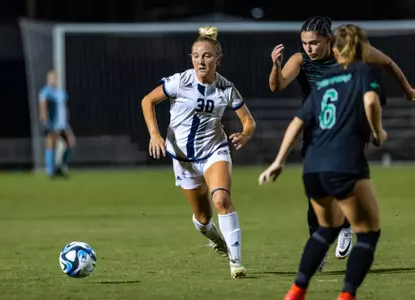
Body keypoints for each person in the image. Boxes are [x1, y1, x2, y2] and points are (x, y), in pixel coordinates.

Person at [268, 16, 414, 263]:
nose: (308, 48)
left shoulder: (349, 52)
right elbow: (277, 86)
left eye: (314, 43)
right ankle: (325, 238)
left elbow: (387, 62)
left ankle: (346, 226)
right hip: (316, 132)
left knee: (341, 179)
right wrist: (275, 65)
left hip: (351, 128)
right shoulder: (299, 60)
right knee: (318, 189)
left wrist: (408, 89)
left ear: (328, 40)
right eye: (304, 43)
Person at [260, 24, 385, 300]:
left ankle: (296, 291)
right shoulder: (364, 71)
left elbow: (296, 122)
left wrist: (278, 161)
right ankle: (346, 295)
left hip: (313, 162)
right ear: (361, 49)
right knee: (369, 231)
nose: (308, 48)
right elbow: (371, 102)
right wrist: (378, 132)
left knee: (325, 227)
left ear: (333, 47)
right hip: (344, 160)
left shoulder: (324, 82)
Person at [141, 26, 256, 278]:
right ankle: (216, 238)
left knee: (221, 200)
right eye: (196, 56)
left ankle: (236, 263)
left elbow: (248, 121)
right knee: (203, 219)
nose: (200, 61)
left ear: (218, 58)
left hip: (214, 152)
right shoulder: (180, 82)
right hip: (183, 160)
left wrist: (245, 133)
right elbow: (147, 100)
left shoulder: (226, 88)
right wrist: (154, 134)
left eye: (206, 56)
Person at [38, 70, 76, 178]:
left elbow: (64, 106)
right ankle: (50, 171)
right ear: (48, 79)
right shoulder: (45, 92)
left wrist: (67, 117)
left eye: (54, 78)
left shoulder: (61, 92)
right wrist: (44, 121)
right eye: (51, 78)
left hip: (63, 124)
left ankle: (61, 165)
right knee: (51, 145)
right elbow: (42, 107)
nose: (53, 80)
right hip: (52, 124)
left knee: (71, 144)